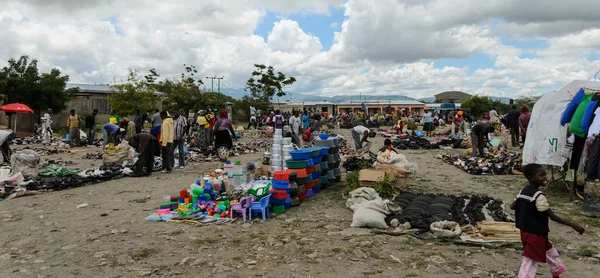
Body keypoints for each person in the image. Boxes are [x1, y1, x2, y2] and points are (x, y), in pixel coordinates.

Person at [510, 164, 584, 278]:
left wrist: (525, 208)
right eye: (541, 175)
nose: (545, 177)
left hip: (526, 231)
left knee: (549, 251)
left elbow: (512, 206)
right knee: (530, 259)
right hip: (535, 232)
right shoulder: (539, 196)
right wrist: (573, 225)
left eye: (545, 174)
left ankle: (556, 273)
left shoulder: (523, 191)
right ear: (530, 177)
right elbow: (553, 217)